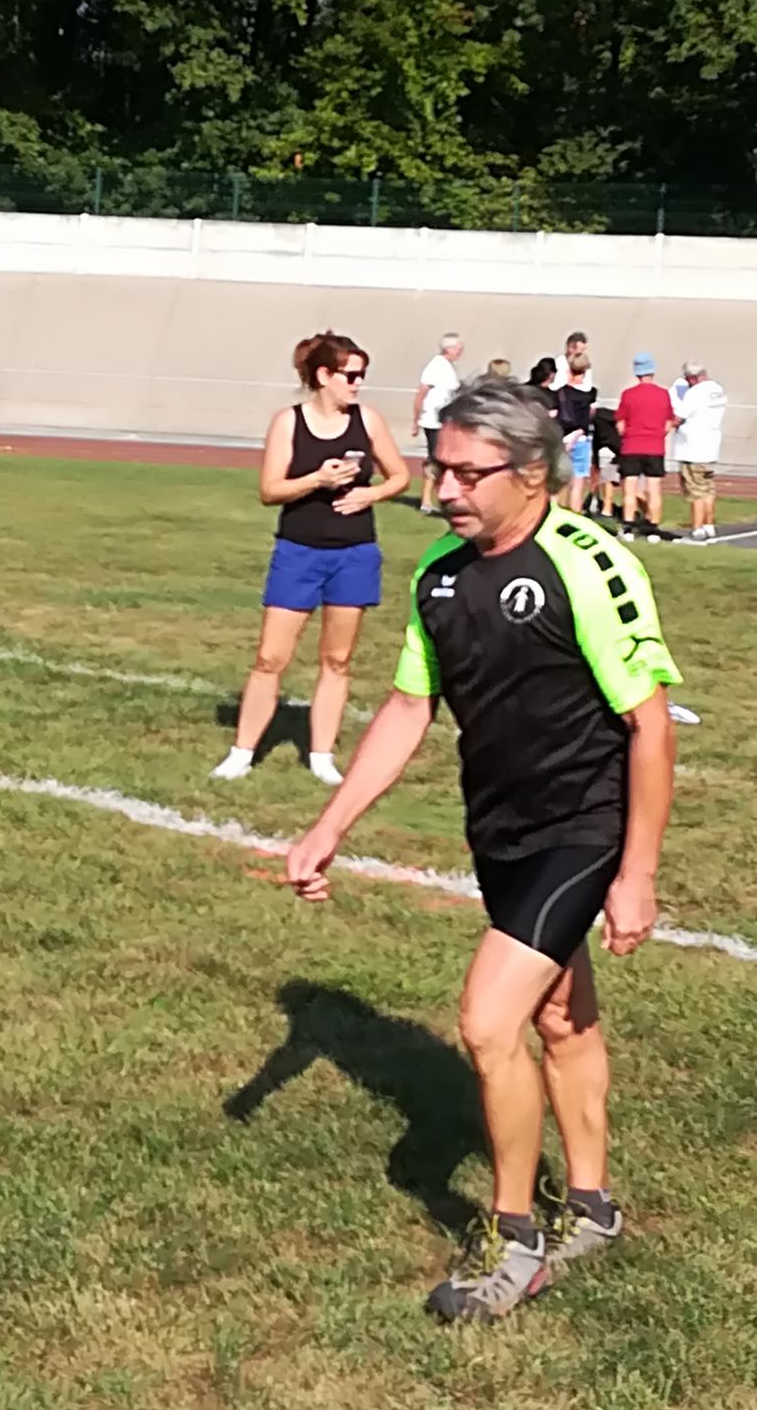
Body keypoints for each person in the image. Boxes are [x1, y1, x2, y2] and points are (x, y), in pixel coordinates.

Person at [287, 376, 679, 1322]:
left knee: (486, 1023)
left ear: (532, 472)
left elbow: (651, 726)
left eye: (469, 473)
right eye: (438, 469)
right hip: (499, 828)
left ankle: (516, 1241)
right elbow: (411, 706)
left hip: (582, 825)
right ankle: (591, 1206)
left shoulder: (585, 563)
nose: (445, 490)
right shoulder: (440, 575)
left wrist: (634, 873)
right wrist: (328, 825)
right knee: (559, 1018)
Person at [211, 332, 409, 787]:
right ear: (324, 376)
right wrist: (317, 479)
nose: (358, 384)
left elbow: (399, 475)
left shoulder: (368, 420)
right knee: (270, 657)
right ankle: (242, 752)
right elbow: (269, 490)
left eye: (362, 376)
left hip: (354, 553)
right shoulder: (289, 422)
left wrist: (372, 493)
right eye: (351, 376)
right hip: (298, 552)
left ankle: (321, 756)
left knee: (337, 659)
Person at [616, 354, 676, 542]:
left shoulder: (628, 395)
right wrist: (658, 435)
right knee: (654, 488)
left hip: (632, 445)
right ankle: (653, 527)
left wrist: (628, 434)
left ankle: (628, 527)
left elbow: (620, 424)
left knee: (629, 488)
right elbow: (669, 422)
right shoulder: (663, 394)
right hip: (654, 447)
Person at [673, 361, 727, 541]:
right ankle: (708, 524)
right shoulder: (717, 389)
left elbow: (678, 417)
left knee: (695, 489)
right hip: (711, 446)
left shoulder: (694, 393)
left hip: (693, 448)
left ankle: (697, 528)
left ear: (693, 378)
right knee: (708, 488)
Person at [412, 333, 464, 516]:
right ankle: (426, 500)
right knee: (436, 459)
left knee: (445, 459)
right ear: (449, 348)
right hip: (433, 421)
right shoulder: (436, 365)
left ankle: (442, 497)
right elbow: (422, 392)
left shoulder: (448, 367)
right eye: (458, 347)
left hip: (445, 421)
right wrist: (416, 419)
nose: (461, 351)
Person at [555, 346, 596, 513]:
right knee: (577, 486)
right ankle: (575, 517)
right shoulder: (590, 394)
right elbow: (587, 419)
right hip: (580, 440)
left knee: (557, 484)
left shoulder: (560, 393)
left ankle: (554, 516)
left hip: (562, 439)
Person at [590, 406, 622, 520]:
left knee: (635, 490)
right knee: (607, 477)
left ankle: (607, 511)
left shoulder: (598, 423)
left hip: (629, 453)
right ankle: (606, 510)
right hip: (626, 452)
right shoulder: (604, 418)